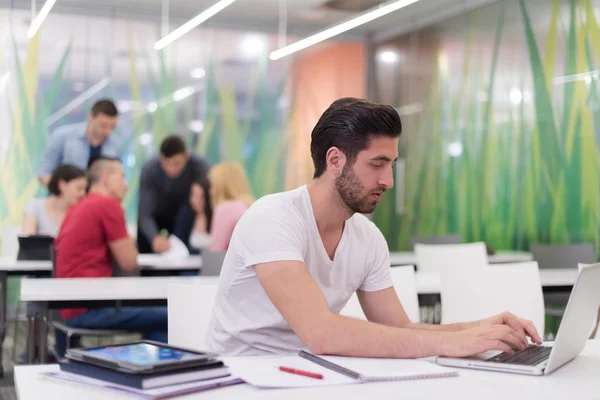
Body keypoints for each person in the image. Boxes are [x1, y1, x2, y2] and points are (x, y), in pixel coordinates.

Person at [205, 97, 542, 357]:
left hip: (313, 375)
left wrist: (480, 329)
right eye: (377, 164)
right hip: (242, 378)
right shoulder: (272, 218)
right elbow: (321, 333)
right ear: (335, 160)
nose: (389, 181)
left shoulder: (367, 238)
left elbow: (401, 328)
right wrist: (453, 344)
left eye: (392, 165)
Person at [54, 157, 167, 357]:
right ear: (106, 178)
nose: (125, 185)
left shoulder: (78, 206)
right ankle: (159, 369)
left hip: (68, 308)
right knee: (173, 315)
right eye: (122, 177)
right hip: (89, 308)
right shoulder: (107, 205)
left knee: (159, 318)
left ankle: (152, 366)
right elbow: (129, 262)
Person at [137, 135, 210, 254]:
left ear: (186, 157)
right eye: (166, 164)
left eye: (176, 164)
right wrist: (154, 238)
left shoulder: (200, 168)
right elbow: (145, 212)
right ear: (161, 159)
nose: (172, 169)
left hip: (188, 217)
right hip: (158, 216)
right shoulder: (149, 170)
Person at [38, 99, 123, 187]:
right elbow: (44, 173)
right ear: (91, 117)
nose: (107, 131)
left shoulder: (116, 144)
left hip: (97, 199)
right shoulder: (63, 136)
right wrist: (63, 192)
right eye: (103, 125)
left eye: (112, 127)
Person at [23, 164, 87, 236]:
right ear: (61, 185)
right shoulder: (35, 206)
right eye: (79, 188)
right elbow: (28, 241)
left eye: (85, 189)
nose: (83, 194)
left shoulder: (80, 213)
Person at [207, 162, 254, 252]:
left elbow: (216, 250)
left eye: (212, 186)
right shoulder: (248, 205)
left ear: (220, 187)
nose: (211, 192)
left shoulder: (225, 209)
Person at [173, 178, 213, 254]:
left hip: (212, 262)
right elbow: (179, 243)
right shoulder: (186, 215)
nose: (195, 200)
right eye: (193, 195)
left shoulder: (216, 216)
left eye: (201, 196)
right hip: (191, 263)